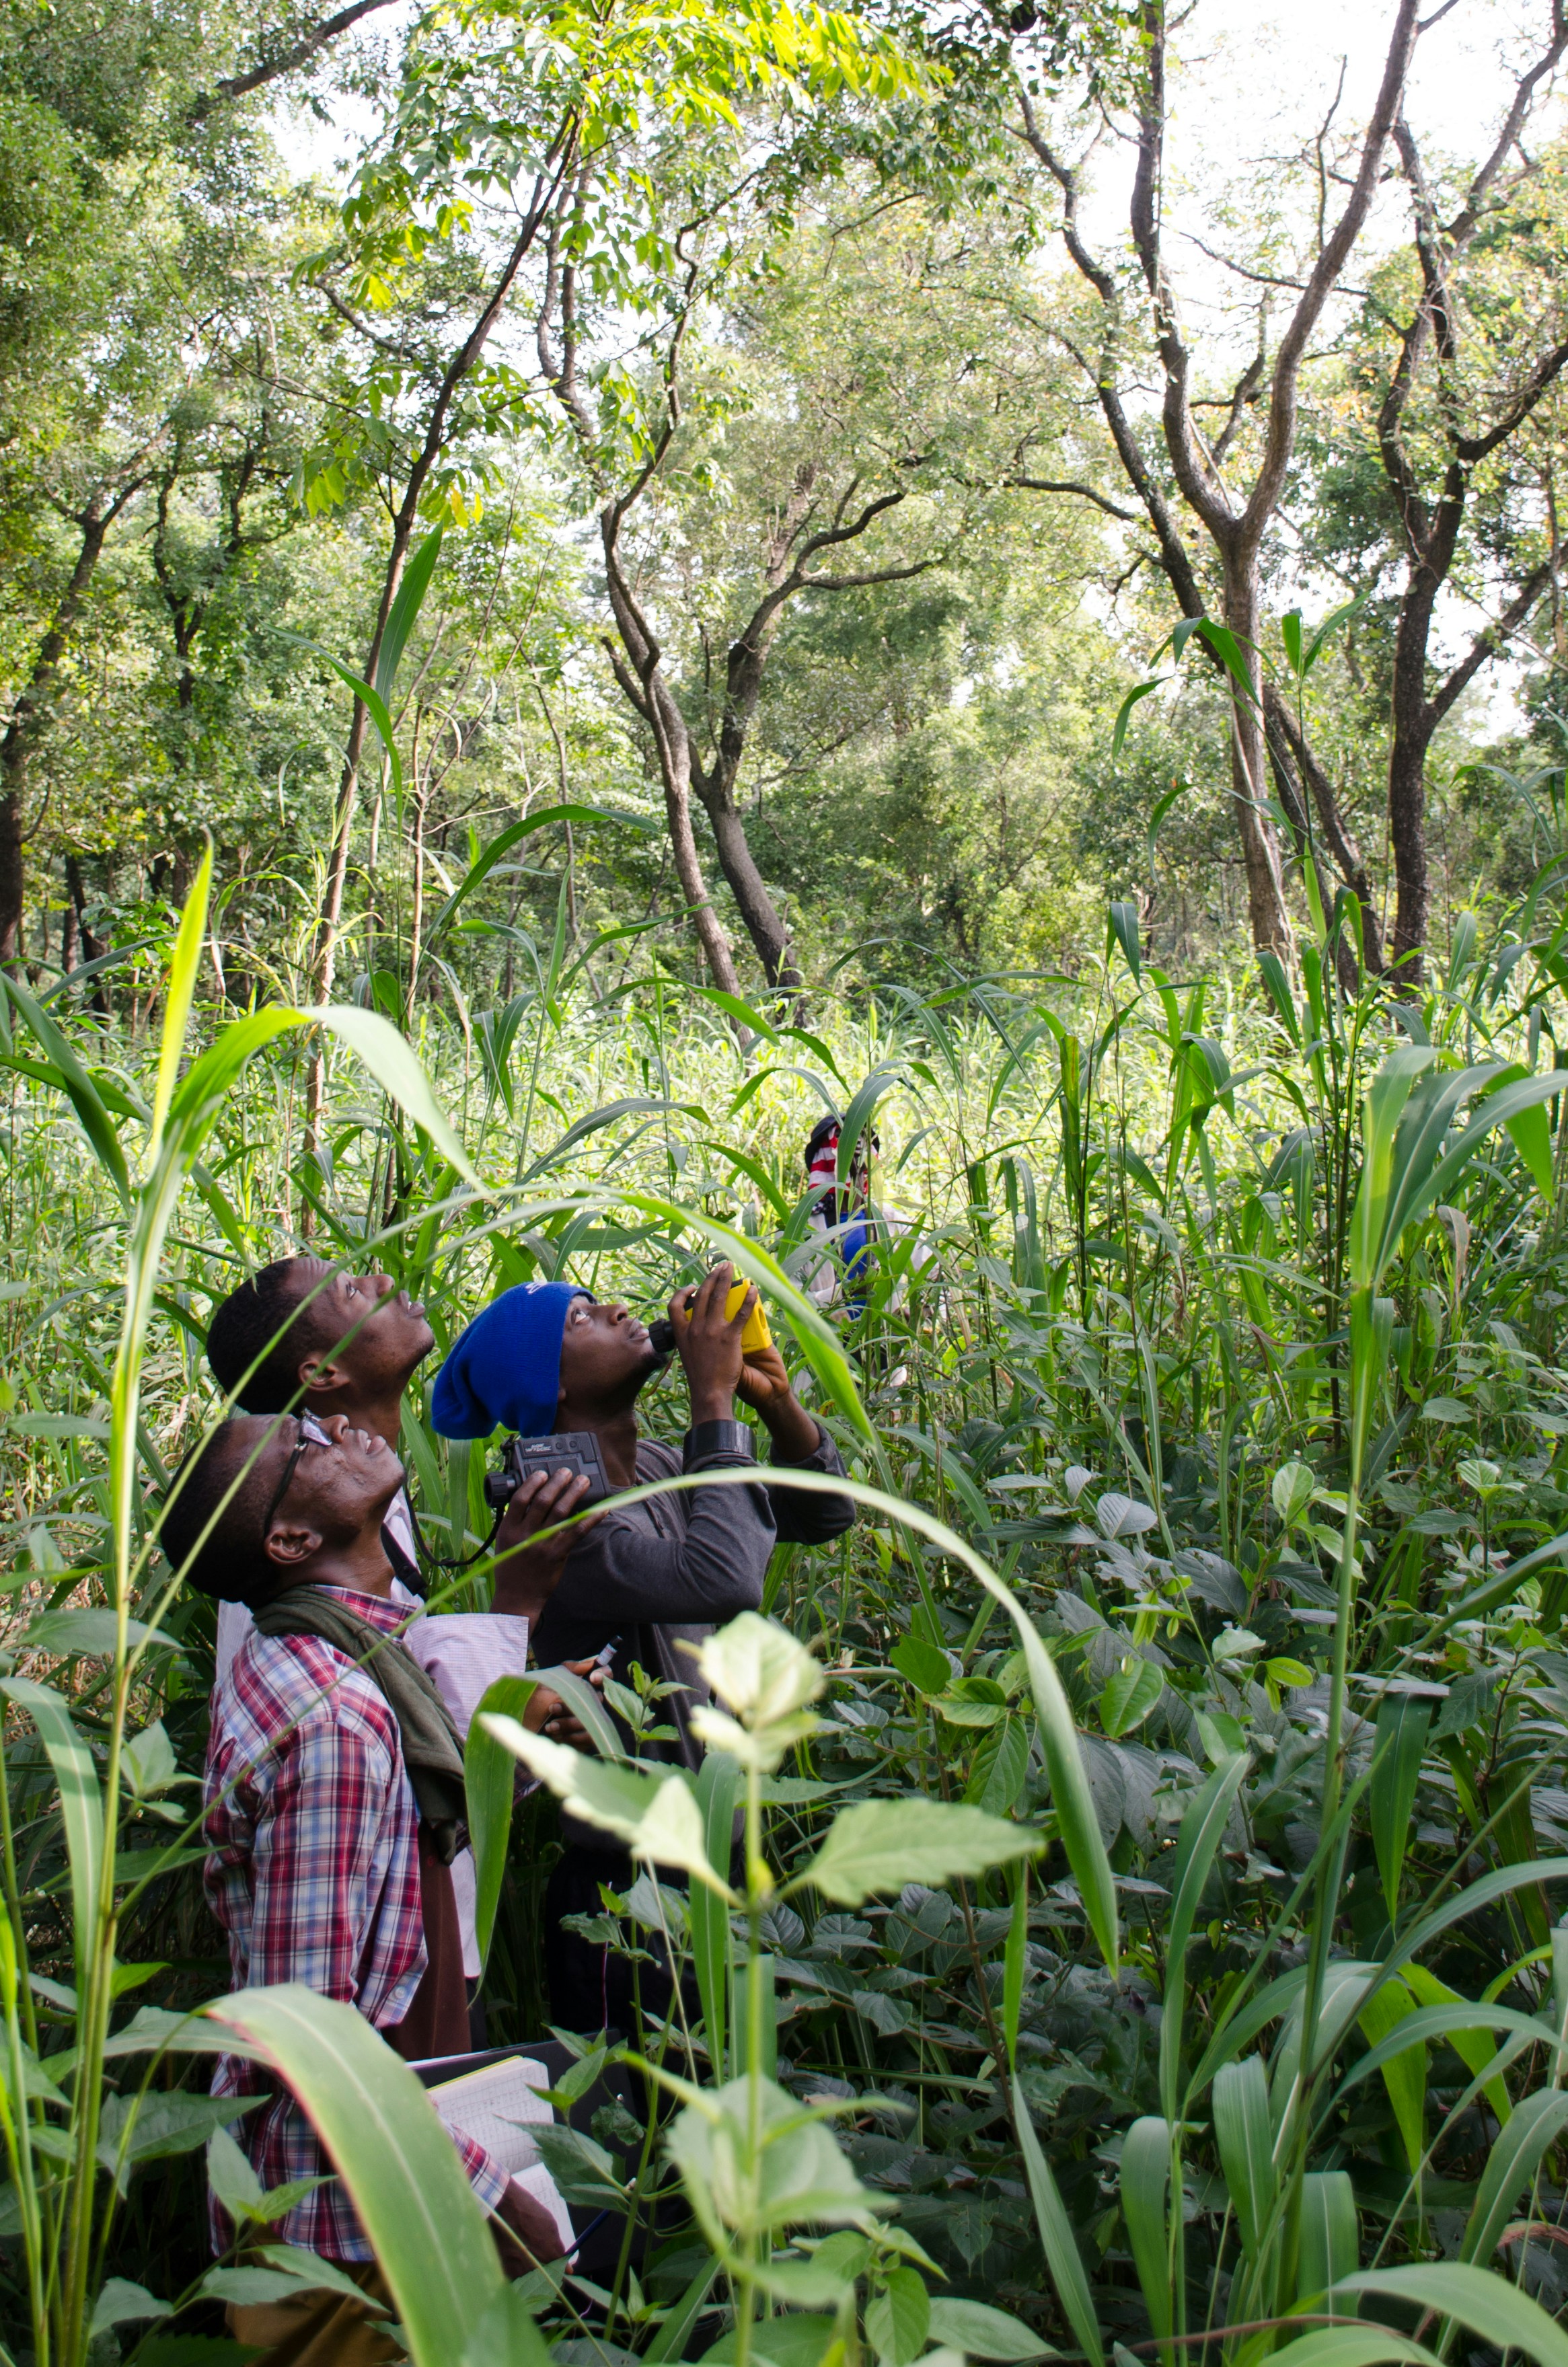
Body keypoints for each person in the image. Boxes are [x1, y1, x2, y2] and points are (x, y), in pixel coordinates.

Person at [161, 1410, 589, 2366]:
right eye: (303, 1446)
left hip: (342, 2205)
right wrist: (495, 2196)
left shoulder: (315, 1657)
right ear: (288, 1539)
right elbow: (312, 2039)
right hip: (349, 2236)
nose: (335, 1428)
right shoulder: (336, 1721)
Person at [430, 1263, 856, 2030]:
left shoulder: (659, 1464)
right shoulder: (565, 1527)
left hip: (716, 1864)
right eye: (579, 1319)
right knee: (646, 2104)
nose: (614, 1309)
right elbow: (722, 1576)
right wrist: (712, 1400)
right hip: (626, 1903)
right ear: (552, 1390)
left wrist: (775, 1401)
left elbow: (824, 1515)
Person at [204, 1255, 593, 2007]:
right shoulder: (296, 1527)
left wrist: (529, 1716)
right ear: (321, 1373)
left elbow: (405, 1716)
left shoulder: (355, 1490)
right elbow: (360, 1771)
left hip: (416, 1940)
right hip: (385, 1977)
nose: (385, 1282)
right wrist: (517, 1604)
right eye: (352, 1290)